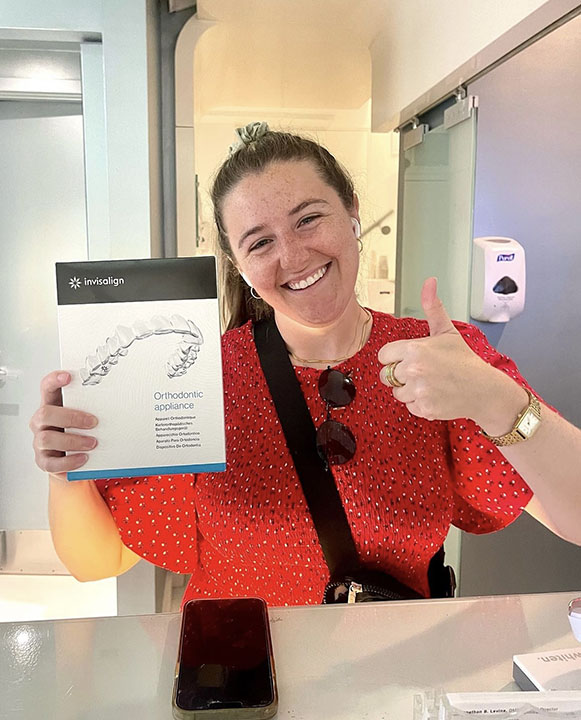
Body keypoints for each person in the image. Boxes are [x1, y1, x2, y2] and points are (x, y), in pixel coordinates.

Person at [30, 123, 581, 606]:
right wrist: (65, 474)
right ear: (239, 265)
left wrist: (495, 397)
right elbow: (98, 561)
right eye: (259, 243)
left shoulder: (440, 358)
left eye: (309, 219)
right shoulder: (197, 379)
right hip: (243, 669)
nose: (292, 257)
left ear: (352, 214)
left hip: (392, 671)